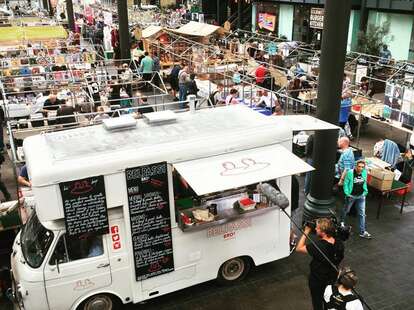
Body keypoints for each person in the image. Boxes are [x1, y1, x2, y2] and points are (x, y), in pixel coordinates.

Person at [296, 218, 345, 310]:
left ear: (323, 232)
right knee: (328, 298)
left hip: (317, 280)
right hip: (332, 277)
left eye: (317, 228)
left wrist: (306, 231)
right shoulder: (339, 243)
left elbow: (299, 248)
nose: (315, 229)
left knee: (317, 301)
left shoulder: (319, 246)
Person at [342, 160, 372, 239]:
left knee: (362, 214)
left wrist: (365, 192)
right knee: (346, 210)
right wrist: (347, 194)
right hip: (351, 196)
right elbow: (345, 183)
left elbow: (364, 182)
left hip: (361, 196)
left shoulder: (364, 172)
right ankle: (342, 222)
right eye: (359, 166)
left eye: (362, 167)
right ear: (356, 166)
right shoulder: (350, 173)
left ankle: (362, 232)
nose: (361, 168)